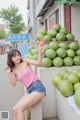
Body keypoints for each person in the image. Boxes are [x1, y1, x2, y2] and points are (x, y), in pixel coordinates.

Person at [5, 43, 46, 120]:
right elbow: (14, 84)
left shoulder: (25, 61)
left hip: (37, 87)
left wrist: (39, 51)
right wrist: (9, 73)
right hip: (29, 90)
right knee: (15, 110)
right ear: (11, 59)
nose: (17, 57)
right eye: (14, 56)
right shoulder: (13, 70)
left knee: (20, 109)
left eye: (18, 55)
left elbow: (39, 63)